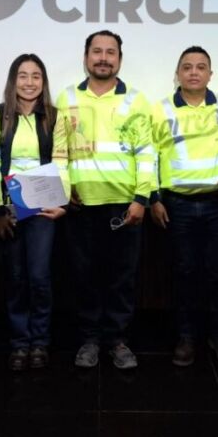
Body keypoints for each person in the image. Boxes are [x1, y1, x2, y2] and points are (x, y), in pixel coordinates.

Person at [56, 30, 155, 370]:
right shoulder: (67, 97)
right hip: (80, 206)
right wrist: (63, 190)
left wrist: (141, 198)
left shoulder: (136, 100)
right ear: (86, 57)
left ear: (119, 59)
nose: (103, 58)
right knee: (83, 276)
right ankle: (89, 340)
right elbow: (60, 153)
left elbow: (146, 154)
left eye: (110, 52)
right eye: (96, 51)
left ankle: (117, 340)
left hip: (124, 205)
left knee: (121, 277)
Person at [149, 46, 218, 369]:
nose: (193, 72)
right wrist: (154, 198)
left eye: (201, 67)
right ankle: (186, 337)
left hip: (217, 203)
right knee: (184, 272)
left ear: (210, 75)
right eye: (187, 67)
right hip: (177, 205)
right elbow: (150, 156)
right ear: (177, 74)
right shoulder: (160, 109)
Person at [0, 54, 69, 371]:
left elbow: (61, 162)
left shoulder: (54, 117)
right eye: (23, 75)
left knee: (40, 277)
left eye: (36, 76)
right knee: (15, 277)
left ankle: (40, 342)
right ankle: (20, 343)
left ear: (43, 82)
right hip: (7, 209)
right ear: (13, 80)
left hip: (43, 208)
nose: (29, 82)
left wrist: (62, 203)